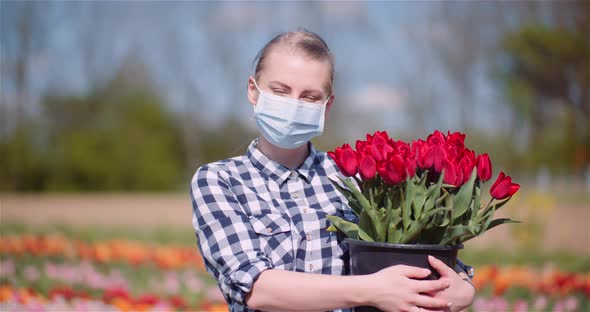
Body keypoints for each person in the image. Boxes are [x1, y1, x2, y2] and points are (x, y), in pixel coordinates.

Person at [190, 30, 475, 312]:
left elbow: (424, 250)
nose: (293, 104)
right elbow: (256, 288)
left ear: (327, 106)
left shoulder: (356, 178)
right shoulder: (220, 180)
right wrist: (372, 291)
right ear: (253, 90)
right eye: (280, 90)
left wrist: (463, 286)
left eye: (310, 96)